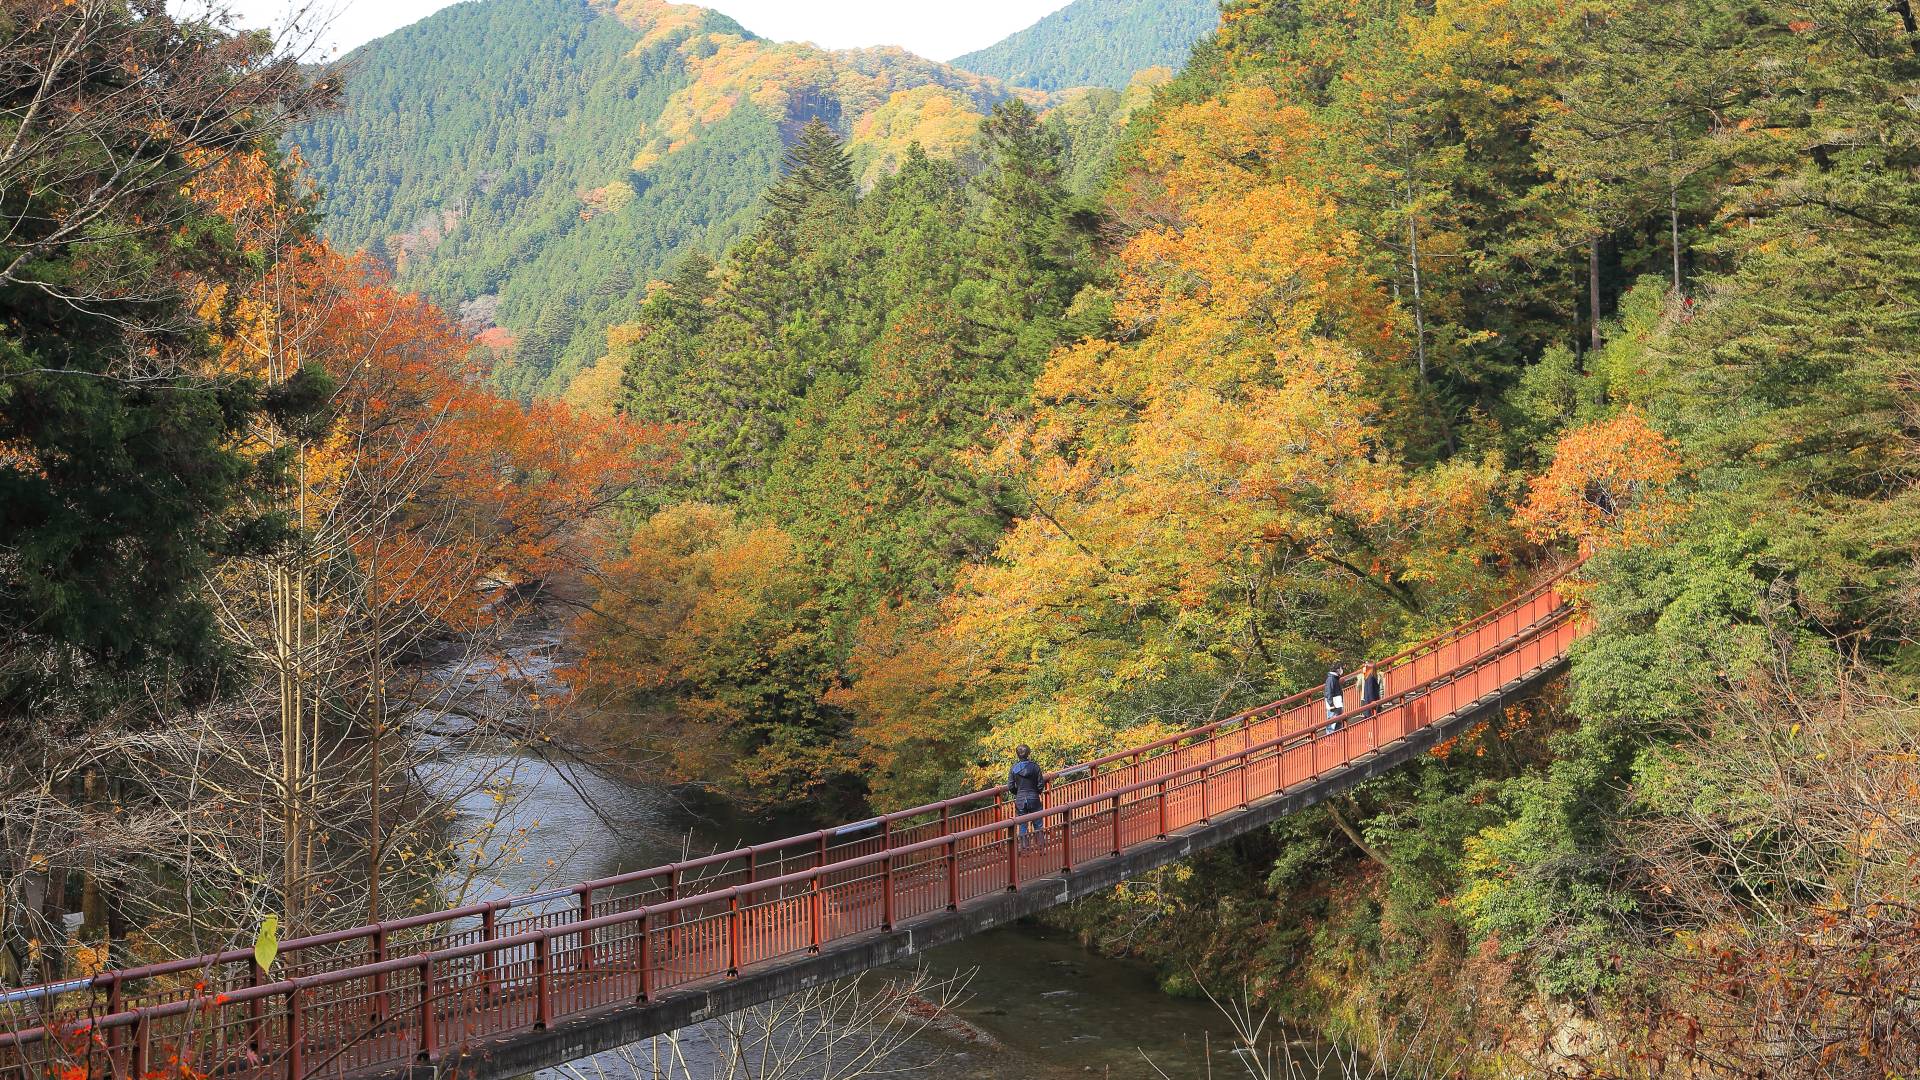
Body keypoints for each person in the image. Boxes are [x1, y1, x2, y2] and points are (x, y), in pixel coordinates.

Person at [1007, 744, 1046, 850]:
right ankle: (1041, 847)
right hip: (1033, 798)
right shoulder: (1035, 767)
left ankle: (1024, 848)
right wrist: (1036, 792)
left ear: (1017, 755)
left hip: (1020, 799)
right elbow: (1040, 784)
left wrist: (1018, 792)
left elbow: (1010, 786)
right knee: (1038, 824)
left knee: (1022, 825)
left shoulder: (1014, 769)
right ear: (1028, 753)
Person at [1323, 663, 1346, 734]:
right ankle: (1330, 739)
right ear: (1337, 669)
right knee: (1332, 722)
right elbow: (1328, 692)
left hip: (1337, 703)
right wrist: (1331, 704)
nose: (1342, 670)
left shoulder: (1335, 678)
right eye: (1341, 668)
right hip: (1334, 704)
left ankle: (1337, 738)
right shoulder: (1331, 679)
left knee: (1338, 721)